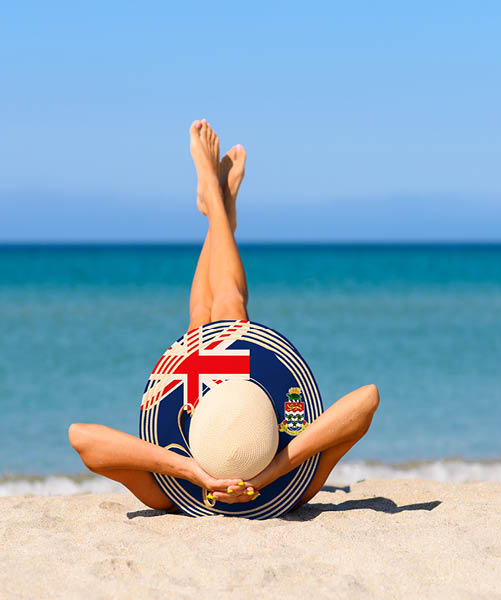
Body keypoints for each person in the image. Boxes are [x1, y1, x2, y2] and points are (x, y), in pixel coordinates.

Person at [68, 120, 380, 512]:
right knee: (228, 307)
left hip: (208, 423)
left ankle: (216, 204)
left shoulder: (167, 496)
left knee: (205, 315)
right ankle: (217, 206)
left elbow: (81, 437)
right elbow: (367, 399)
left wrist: (191, 471)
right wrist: (273, 472)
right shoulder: (296, 490)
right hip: (243, 419)